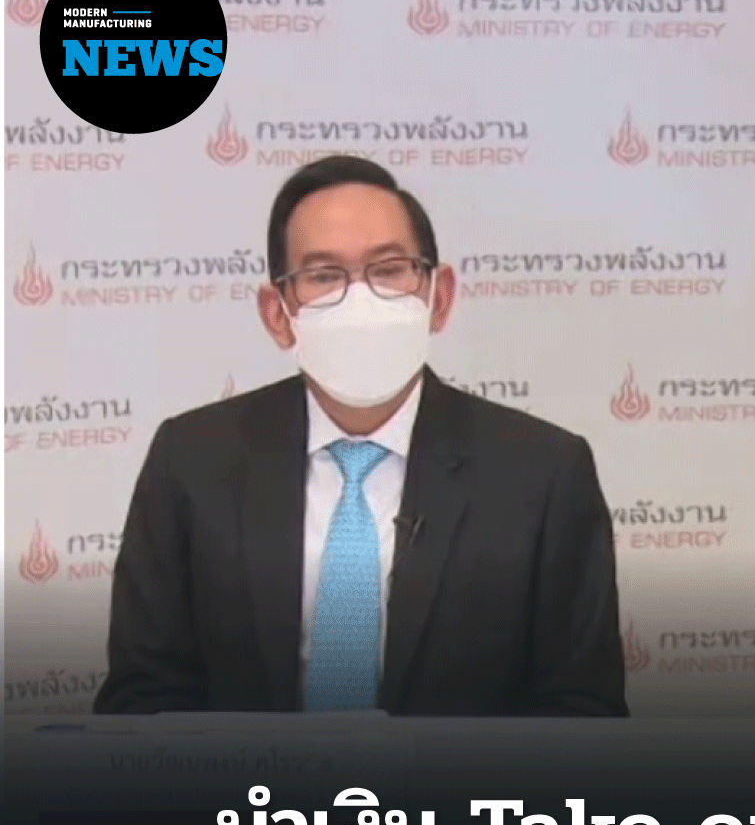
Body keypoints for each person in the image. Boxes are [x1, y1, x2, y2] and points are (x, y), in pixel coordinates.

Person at [95, 156, 628, 717]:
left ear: (439, 298)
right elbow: (144, 700)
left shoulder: (543, 474)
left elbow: (582, 714)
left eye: (390, 269)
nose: (360, 301)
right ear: (277, 314)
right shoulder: (192, 462)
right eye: (324, 276)